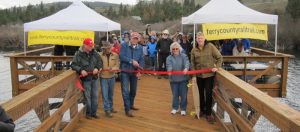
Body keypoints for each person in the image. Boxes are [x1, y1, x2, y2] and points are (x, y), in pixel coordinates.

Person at [191, 32, 222, 123]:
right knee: (200, 94)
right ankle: (201, 110)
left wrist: (217, 67)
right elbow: (192, 64)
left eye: (201, 38)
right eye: (198, 38)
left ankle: (208, 113)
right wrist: (193, 76)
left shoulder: (211, 46)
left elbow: (219, 57)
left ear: (204, 38)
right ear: (196, 39)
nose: (200, 39)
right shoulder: (194, 50)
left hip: (209, 75)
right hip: (199, 76)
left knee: (208, 94)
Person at [71, 38, 103, 119]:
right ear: (84, 45)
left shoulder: (94, 52)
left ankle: (94, 113)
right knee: (87, 97)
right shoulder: (78, 54)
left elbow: (100, 61)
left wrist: (97, 67)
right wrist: (81, 70)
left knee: (95, 96)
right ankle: (88, 113)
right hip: (86, 80)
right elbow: (73, 65)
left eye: (92, 45)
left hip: (95, 78)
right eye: (89, 46)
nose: (91, 47)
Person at [120, 32, 144, 117]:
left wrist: (139, 71)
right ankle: (127, 109)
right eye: (134, 38)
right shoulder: (124, 45)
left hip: (134, 72)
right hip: (125, 71)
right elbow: (121, 56)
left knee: (133, 91)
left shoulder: (140, 48)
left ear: (138, 39)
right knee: (125, 91)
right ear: (130, 38)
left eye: (136, 39)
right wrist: (131, 61)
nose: (135, 40)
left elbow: (141, 59)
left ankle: (131, 104)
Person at [166, 42, 190, 116]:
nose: (175, 50)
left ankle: (183, 108)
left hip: (183, 79)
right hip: (173, 80)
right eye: (173, 49)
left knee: (184, 95)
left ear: (179, 49)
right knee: (175, 94)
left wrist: (186, 68)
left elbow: (187, 63)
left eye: (177, 48)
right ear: (171, 50)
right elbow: (169, 65)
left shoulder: (184, 56)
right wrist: (169, 71)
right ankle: (175, 108)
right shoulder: (169, 58)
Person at [99, 41, 119, 118]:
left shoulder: (115, 55)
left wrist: (113, 69)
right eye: (107, 48)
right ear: (104, 48)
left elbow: (117, 65)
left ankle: (110, 107)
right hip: (103, 77)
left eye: (109, 47)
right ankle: (107, 110)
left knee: (111, 94)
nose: (109, 49)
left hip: (112, 77)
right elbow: (97, 64)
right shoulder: (99, 55)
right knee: (105, 94)